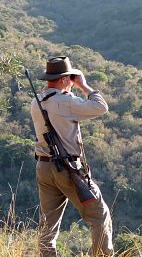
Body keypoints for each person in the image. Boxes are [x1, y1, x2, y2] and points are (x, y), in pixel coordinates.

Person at [30, 56, 114, 257]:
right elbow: (101, 107)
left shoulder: (36, 101)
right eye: (70, 78)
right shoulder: (66, 102)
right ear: (63, 79)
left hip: (43, 167)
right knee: (99, 216)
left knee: (48, 224)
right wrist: (84, 85)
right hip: (67, 169)